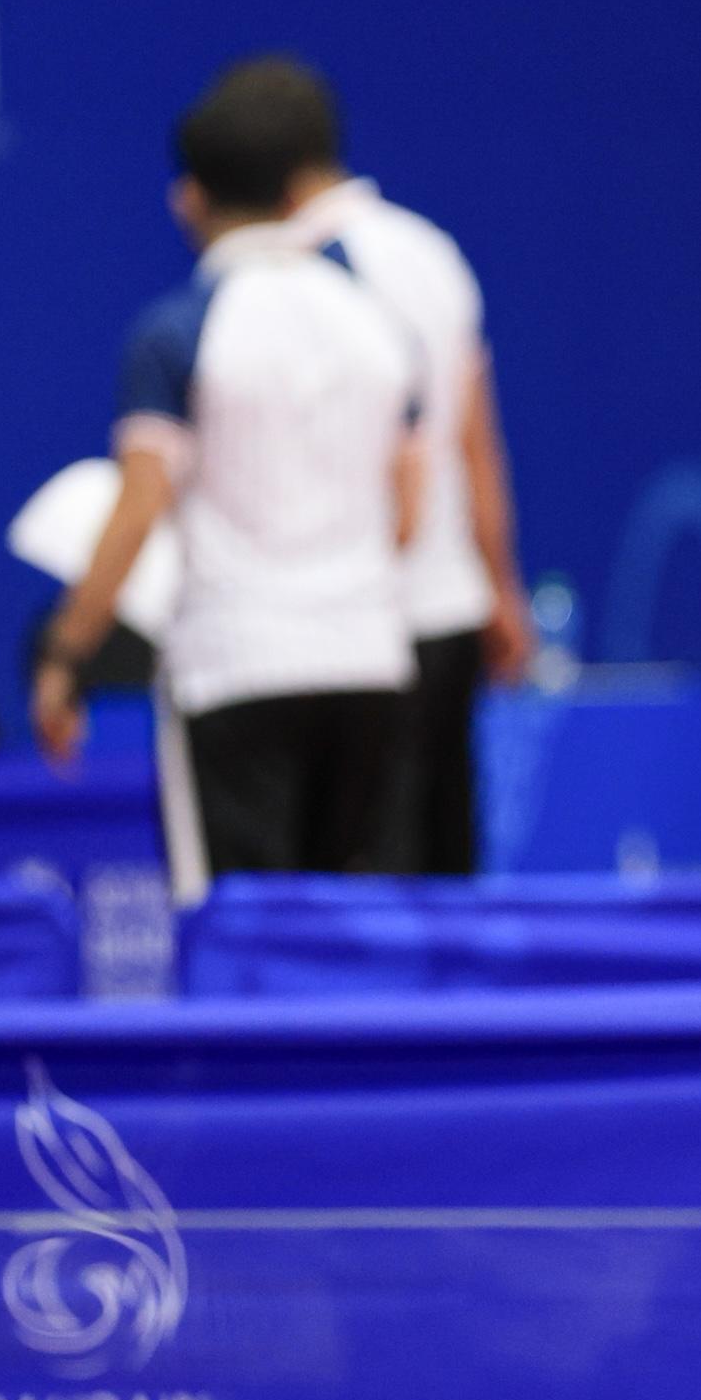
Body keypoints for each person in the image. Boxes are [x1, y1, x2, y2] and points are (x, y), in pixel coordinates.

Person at [33, 59, 423, 883]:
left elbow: (139, 507)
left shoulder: (178, 332)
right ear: (298, 192)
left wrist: (67, 655)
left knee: (237, 936)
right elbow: (408, 505)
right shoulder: (378, 320)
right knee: (343, 929)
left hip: (238, 672)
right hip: (370, 666)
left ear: (191, 199)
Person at [279, 59, 537, 875]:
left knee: (374, 885)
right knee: (447, 871)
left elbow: (413, 452)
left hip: (363, 629)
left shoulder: (302, 275)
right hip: (452, 609)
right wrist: (501, 584)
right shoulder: (432, 250)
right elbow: (478, 440)